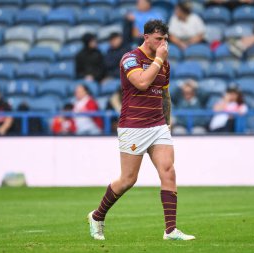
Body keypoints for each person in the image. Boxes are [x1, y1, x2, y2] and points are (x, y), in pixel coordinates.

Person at [87, 19, 195, 241]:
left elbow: (165, 95)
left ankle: (170, 230)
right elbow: (142, 83)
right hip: (133, 125)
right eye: (158, 39)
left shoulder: (164, 62)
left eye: (165, 39)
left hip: (158, 125)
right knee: (128, 179)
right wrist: (158, 59)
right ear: (146, 37)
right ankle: (97, 216)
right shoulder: (130, 59)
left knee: (168, 170)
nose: (163, 43)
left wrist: (168, 122)